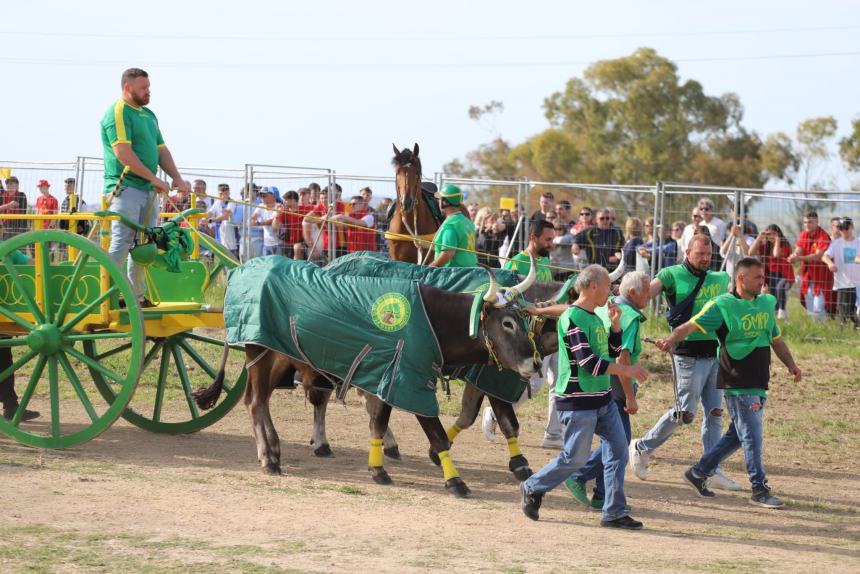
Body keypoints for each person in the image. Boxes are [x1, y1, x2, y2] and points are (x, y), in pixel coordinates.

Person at [658, 257, 802, 508]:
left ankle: (699, 472)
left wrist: (791, 364)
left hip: (758, 380)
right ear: (741, 279)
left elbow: (776, 339)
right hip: (737, 380)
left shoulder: (767, 303)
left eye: (763, 276)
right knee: (753, 437)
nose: (762, 282)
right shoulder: (722, 305)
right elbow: (689, 326)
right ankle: (759, 489)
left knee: (738, 435)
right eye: (757, 277)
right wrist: (671, 340)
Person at [519, 265, 650, 530]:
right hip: (578, 402)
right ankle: (532, 485)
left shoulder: (595, 316)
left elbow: (610, 351)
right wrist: (627, 370)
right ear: (593, 287)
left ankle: (613, 512)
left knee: (617, 451)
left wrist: (614, 327)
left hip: (602, 399)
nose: (611, 291)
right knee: (574, 459)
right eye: (607, 286)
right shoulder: (573, 319)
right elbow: (588, 362)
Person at [628, 234, 742, 491]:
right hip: (687, 355)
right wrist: (622, 304)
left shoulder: (720, 278)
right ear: (687, 252)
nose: (705, 258)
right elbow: (644, 297)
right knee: (685, 414)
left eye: (708, 253)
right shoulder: (670, 274)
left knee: (715, 413)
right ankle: (641, 447)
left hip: (714, 353)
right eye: (700, 253)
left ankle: (711, 469)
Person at [100, 67, 190, 305]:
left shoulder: (149, 115)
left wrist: (176, 177)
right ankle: (109, 296)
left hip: (148, 191)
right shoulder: (117, 112)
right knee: (122, 241)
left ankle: (137, 297)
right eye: (144, 88)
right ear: (128, 88)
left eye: (149, 87)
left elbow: (161, 150)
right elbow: (123, 154)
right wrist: (153, 178)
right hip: (125, 188)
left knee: (145, 246)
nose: (148, 92)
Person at [564, 271, 651, 509]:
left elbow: (568, 311)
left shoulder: (603, 307)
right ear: (632, 293)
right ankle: (579, 475)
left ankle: (603, 493)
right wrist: (630, 398)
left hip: (600, 382)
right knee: (618, 444)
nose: (651, 295)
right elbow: (622, 359)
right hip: (614, 384)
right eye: (646, 291)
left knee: (616, 442)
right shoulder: (629, 317)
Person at [482, 220, 561, 448]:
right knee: (535, 385)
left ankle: (553, 434)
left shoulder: (544, 260)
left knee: (559, 381)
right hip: (530, 334)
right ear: (533, 238)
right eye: (547, 239)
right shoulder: (516, 263)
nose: (551, 243)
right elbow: (505, 298)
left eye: (553, 239)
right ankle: (496, 414)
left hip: (551, 328)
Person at [0, 248, 40, 422]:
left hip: (6, 313)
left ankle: (11, 406)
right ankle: (10, 406)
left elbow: (30, 264)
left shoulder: (7, 248)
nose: (1, 226)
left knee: (4, 357)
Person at [788, 211, 834, 318]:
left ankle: (823, 330)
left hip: (822, 278)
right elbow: (798, 250)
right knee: (810, 307)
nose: (807, 225)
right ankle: (817, 330)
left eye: (810, 222)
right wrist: (793, 256)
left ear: (817, 222)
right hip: (807, 276)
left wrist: (798, 258)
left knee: (819, 307)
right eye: (805, 222)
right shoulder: (803, 235)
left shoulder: (823, 236)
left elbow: (817, 256)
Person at [750, 224, 794, 320]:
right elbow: (750, 252)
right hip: (771, 275)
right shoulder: (765, 246)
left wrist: (777, 241)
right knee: (772, 294)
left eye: (774, 234)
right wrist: (759, 238)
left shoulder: (785, 245)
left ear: (779, 234)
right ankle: (777, 314)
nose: (771, 236)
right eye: (769, 234)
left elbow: (776, 254)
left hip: (785, 276)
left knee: (780, 287)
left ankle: (782, 311)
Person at [822, 217, 860, 327]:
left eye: (846, 228)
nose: (844, 231)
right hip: (843, 283)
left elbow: (857, 258)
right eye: (841, 228)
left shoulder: (858, 242)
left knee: (854, 311)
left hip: (858, 283)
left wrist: (857, 259)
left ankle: (853, 328)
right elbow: (825, 256)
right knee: (845, 312)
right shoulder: (836, 244)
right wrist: (830, 263)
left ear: (852, 227)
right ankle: (847, 331)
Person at [428, 184, 476, 268]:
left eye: (440, 199)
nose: (438, 202)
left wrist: (431, 267)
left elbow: (448, 252)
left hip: (453, 275)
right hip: (470, 272)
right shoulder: (468, 222)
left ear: (445, 202)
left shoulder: (451, 225)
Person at [303, 184, 347, 261]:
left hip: (341, 243)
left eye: (326, 198)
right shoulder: (320, 206)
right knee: (328, 266)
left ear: (331, 198)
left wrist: (329, 219)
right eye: (321, 198)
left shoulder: (340, 205)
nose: (323, 200)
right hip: (327, 244)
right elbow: (307, 218)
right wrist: (321, 219)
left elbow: (340, 222)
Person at [204, 183, 240, 260]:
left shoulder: (232, 203)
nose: (223, 196)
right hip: (220, 236)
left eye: (226, 193)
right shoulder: (217, 202)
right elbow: (210, 212)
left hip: (231, 239)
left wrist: (210, 220)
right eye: (221, 194)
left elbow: (225, 216)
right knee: (222, 261)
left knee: (232, 260)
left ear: (229, 193)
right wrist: (203, 218)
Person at [272, 190, 305, 259]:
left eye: (286, 200)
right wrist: (278, 214)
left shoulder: (304, 210)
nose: (284, 202)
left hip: (302, 243)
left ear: (293, 200)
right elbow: (274, 228)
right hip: (286, 244)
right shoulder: (283, 212)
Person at [253, 187, 280, 256]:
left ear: (273, 196)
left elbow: (272, 221)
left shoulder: (279, 206)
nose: (262, 197)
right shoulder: (261, 206)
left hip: (279, 244)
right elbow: (252, 218)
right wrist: (252, 220)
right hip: (266, 244)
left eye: (264, 195)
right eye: (261, 195)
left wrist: (258, 223)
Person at [0, 176, 28, 241]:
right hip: (5, 227)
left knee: (20, 248)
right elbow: (12, 204)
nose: (9, 185)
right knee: (6, 249)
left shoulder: (21, 195)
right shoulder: (2, 196)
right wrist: (10, 205)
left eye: (11, 183)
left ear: (17, 185)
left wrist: (3, 207)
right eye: (7, 183)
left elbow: (16, 204)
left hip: (19, 226)